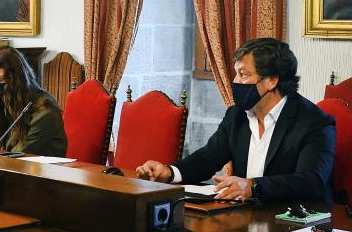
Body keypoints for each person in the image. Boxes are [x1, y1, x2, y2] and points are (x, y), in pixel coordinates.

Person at [136, 38, 336, 203]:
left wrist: (253, 186)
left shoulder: (314, 122)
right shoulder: (237, 114)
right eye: (236, 74)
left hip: (293, 222)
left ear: (271, 80)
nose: (235, 82)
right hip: (243, 215)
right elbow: (208, 158)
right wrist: (170, 172)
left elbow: (311, 181)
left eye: (244, 75)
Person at [0, 46, 67, 156]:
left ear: (17, 79)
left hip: (40, 171)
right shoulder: (7, 101)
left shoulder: (45, 111)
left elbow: (18, 154)